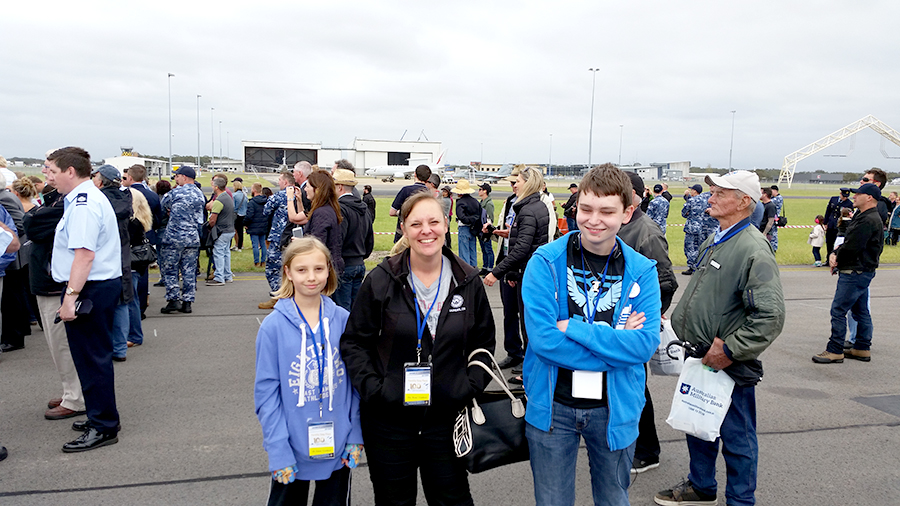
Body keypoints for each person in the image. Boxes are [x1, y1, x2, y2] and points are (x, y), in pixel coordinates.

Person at [340, 191, 495, 506]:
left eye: (433, 221)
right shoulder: (382, 280)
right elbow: (355, 342)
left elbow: (484, 344)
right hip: (389, 422)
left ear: (446, 223)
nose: (426, 230)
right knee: (393, 501)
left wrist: (466, 387)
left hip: (446, 420)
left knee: (453, 500)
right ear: (404, 229)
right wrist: (376, 390)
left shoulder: (467, 280)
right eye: (416, 224)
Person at [522, 164, 661, 506]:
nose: (594, 220)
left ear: (627, 213)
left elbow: (643, 346)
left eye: (607, 211)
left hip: (614, 411)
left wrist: (575, 328)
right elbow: (543, 342)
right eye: (586, 209)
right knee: (552, 501)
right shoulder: (545, 262)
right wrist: (616, 343)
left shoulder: (642, 271)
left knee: (614, 499)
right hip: (554, 408)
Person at [655, 170, 785, 506]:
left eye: (720, 193)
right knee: (698, 424)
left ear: (744, 202)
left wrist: (730, 349)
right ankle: (701, 486)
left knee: (737, 438)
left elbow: (770, 316)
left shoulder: (753, 248)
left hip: (725, 361)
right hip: (698, 357)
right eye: (712, 190)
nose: (710, 197)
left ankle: (741, 500)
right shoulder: (720, 235)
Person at [254, 237, 363, 506]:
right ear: (288, 273)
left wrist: (355, 435)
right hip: (291, 448)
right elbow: (267, 395)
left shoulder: (343, 320)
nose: (311, 277)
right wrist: (278, 449)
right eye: (302, 270)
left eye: (318, 269)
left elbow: (354, 385)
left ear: (329, 270)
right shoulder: (273, 327)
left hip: (338, 445)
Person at [46, 147, 124, 453]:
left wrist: (70, 298)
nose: (47, 175)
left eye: (51, 169)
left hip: (90, 287)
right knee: (92, 357)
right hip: (95, 285)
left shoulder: (83, 204)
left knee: (92, 358)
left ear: (69, 171)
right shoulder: (84, 198)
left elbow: (84, 254)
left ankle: (103, 425)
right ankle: (100, 416)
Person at [620, 172, 678, 475]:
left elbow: (666, 281)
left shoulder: (646, 231)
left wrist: (645, 318)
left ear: (632, 195)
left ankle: (647, 451)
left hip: (634, 326)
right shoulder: (620, 224)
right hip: (614, 326)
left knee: (635, 387)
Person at [23, 175, 85, 420]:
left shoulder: (68, 203)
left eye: (51, 168)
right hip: (47, 281)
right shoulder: (58, 201)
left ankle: (76, 397)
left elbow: (33, 226)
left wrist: (33, 215)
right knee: (56, 345)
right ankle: (71, 390)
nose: (47, 174)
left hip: (54, 283)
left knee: (62, 345)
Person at [484, 166, 550, 385]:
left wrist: (496, 272)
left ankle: (532, 372)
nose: (514, 184)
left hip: (527, 273)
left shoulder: (529, 210)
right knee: (520, 320)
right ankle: (523, 361)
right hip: (522, 271)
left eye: (518, 181)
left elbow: (523, 248)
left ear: (528, 183)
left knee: (529, 326)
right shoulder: (529, 206)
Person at [812, 183, 884, 364]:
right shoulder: (866, 216)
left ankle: (835, 349)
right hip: (862, 269)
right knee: (860, 310)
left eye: (858, 194)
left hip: (855, 270)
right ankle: (861, 347)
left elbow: (853, 246)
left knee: (838, 310)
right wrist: (836, 254)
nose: (854, 196)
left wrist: (835, 257)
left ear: (869, 198)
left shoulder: (867, 219)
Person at [92, 165, 134, 362]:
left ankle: (105, 346)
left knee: (100, 303)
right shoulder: (126, 198)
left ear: (100, 181)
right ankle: (120, 347)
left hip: (102, 256)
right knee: (122, 301)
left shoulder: (97, 201)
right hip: (123, 253)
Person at [159, 166, 205, 314]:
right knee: (189, 270)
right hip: (192, 236)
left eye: (177, 176)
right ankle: (187, 301)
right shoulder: (199, 194)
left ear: (184, 177)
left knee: (171, 269)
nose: (175, 179)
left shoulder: (175, 192)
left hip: (174, 236)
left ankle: (173, 300)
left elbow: (163, 206)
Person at [492, 169, 525, 370]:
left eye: (517, 181)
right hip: (507, 260)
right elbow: (508, 231)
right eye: (511, 182)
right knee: (509, 311)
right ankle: (514, 352)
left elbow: (533, 240)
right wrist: (495, 231)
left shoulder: (540, 204)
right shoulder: (509, 202)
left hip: (523, 267)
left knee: (527, 315)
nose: (513, 185)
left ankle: (529, 358)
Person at [122, 164, 161, 316]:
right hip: (147, 236)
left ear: (130, 178)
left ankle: (130, 306)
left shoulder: (124, 194)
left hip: (128, 239)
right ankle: (141, 305)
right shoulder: (152, 195)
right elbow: (158, 218)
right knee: (142, 273)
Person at [333, 169, 373, 311]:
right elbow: (370, 239)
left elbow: (339, 239)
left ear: (340, 187)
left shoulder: (341, 208)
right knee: (356, 310)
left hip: (345, 264)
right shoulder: (364, 209)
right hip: (359, 262)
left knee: (342, 311)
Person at [0, 171, 30, 353]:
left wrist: (7, 240)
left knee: (12, 299)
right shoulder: (6, 196)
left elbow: (19, 224)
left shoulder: (5, 199)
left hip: (12, 256)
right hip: (11, 255)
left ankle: (14, 337)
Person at [261, 173, 296, 308]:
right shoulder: (300, 194)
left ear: (286, 182)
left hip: (278, 237)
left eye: (280, 180)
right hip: (295, 237)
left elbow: (266, 210)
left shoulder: (280, 195)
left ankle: (278, 296)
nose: (279, 182)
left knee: (272, 268)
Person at [301, 171, 344, 277]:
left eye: (307, 186)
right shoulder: (330, 209)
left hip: (325, 269)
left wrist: (301, 243)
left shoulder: (321, 213)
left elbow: (318, 244)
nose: (305, 189)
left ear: (317, 189)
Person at [126, 188, 152, 347]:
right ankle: (134, 334)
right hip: (138, 262)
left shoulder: (131, 222)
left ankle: (134, 334)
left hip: (131, 262)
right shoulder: (141, 219)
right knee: (132, 298)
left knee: (130, 300)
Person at [205, 176, 235, 287]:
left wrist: (209, 225)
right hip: (230, 229)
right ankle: (227, 275)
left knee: (218, 252)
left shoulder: (219, 200)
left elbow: (213, 219)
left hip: (222, 230)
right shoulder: (228, 197)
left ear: (216, 187)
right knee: (226, 252)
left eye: (213, 185)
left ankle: (219, 277)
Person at [389, 164, 431, 243]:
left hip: (404, 232)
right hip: (421, 232)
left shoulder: (405, 190)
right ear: (428, 178)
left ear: (415, 174)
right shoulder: (429, 194)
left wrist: (402, 213)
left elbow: (392, 212)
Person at [452, 179, 482, 268]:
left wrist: (467, 220)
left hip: (464, 228)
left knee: (464, 250)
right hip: (473, 228)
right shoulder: (475, 201)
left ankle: (465, 270)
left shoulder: (460, 202)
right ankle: (474, 268)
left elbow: (461, 217)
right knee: (472, 249)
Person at [680, 184, 709, 275]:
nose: (690, 191)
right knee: (699, 247)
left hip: (691, 227)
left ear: (695, 191)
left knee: (689, 247)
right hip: (701, 226)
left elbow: (684, 213)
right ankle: (699, 264)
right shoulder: (705, 200)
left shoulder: (691, 201)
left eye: (692, 190)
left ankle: (692, 266)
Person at [245, 182, 270, 267]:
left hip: (254, 226)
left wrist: (245, 223)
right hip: (263, 225)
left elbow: (250, 215)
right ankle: (263, 261)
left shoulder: (252, 202)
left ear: (254, 190)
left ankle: (256, 261)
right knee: (263, 243)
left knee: (255, 244)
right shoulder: (266, 201)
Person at [824, 188, 854, 257]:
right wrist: (825, 223)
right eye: (843, 196)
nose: (845, 198)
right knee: (829, 242)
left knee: (836, 244)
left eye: (846, 196)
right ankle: (828, 258)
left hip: (839, 226)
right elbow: (828, 211)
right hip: (831, 224)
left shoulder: (849, 204)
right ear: (840, 194)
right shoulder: (833, 199)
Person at [477, 182, 495, 276]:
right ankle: (485, 267)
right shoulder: (482, 202)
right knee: (483, 249)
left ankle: (490, 268)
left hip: (486, 230)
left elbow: (490, 218)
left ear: (485, 191)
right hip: (481, 229)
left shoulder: (488, 204)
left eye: (480, 189)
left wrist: (488, 229)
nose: (478, 191)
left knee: (488, 249)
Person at [232, 178, 248, 252]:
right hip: (243, 214)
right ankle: (240, 246)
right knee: (241, 231)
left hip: (237, 214)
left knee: (235, 231)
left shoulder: (234, 195)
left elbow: (233, 206)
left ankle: (237, 245)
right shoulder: (244, 196)